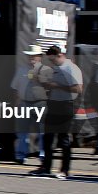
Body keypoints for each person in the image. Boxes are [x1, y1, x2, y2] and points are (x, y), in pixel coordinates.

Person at [32, 46, 83, 180]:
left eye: (53, 59)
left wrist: (57, 86)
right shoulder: (56, 68)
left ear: (60, 55)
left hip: (66, 105)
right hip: (53, 103)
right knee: (48, 138)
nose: (51, 62)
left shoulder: (70, 68)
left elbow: (78, 89)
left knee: (63, 139)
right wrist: (47, 86)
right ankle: (46, 167)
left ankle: (65, 170)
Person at [11, 45, 52, 164]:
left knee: (42, 130)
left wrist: (39, 78)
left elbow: (50, 87)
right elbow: (15, 87)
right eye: (29, 55)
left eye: (33, 55)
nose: (31, 58)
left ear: (40, 57)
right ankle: (20, 155)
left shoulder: (46, 70)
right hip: (24, 103)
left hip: (40, 103)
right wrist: (16, 103)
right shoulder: (22, 69)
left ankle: (43, 154)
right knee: (22, 131)